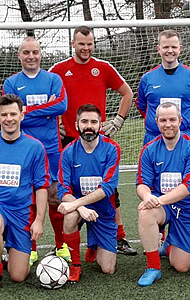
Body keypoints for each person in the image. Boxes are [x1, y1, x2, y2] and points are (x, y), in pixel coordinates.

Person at [49, 25, 137, 256]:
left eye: (89, 44)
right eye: (81, 44)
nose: (85, 48)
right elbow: (49, 100)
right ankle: (63, 245)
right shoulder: (58, 70)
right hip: (70, 139)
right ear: (73, 44)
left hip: (98, 137)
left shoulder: (103, 68)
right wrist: (54, 123)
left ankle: (119, 237)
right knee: (66, 189)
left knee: (110, 192)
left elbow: (127, 93)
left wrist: (118, 120)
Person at [0, 94, 49, 293]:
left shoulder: (35, 147)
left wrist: (39, 220)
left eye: (13, 114)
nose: (9, 118)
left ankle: (6, 251)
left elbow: (41, 186)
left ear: (22, 115)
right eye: (4, 115)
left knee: (18, 276)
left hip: (22, 213)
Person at [4, 36, 69, 266]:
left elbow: (61, 105)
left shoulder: (53, 79)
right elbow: (12, 112)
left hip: (51, 149)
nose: (31, 56)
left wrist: (27, 110)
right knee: (28, 199)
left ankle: (61, 246)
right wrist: (45, 109)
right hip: (24, 149)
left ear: (41, 54)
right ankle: (30, 249)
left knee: (53, 197)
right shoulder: (11, 83)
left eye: (35, 52)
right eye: (26, 52)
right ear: (19, 55)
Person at [135, 102, 190, 287]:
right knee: (145, 212)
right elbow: (142, 183)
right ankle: (153, 268)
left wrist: (156, 199)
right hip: (163, 207)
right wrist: (147, 197)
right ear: (156, 122)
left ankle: (169, 244)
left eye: (172, 119)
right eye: (163, 120)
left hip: (187, 209)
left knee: (181, 266)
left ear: (180, 121)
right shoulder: (149, 149)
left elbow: (188, 186)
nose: (168, 124)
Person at [57, 104, 121, 283]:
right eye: (84, 121)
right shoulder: (68, 152)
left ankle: (93, 243)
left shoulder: (112, 149)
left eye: (94, 122)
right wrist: (81, 208)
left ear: (101, 125)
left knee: (108, 269)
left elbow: (107, 188)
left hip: (103, 211)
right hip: (79, 208)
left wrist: (78, 204)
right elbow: (63, 189)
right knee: (69, 217)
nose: (89, 126)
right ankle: (75, 265)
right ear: (77, 125)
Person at [136, 29, 190, 145]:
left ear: (180, 48)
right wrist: (156, 123)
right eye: (165, 47)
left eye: (174, 47)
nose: (170, 51)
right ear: (158, 49)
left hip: (183, 136)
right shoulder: (148, 78)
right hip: (153, 138)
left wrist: (185, 122)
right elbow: (142, 106)